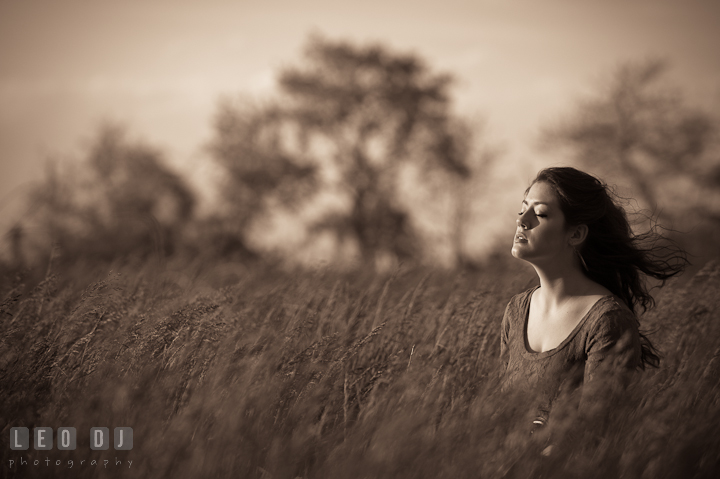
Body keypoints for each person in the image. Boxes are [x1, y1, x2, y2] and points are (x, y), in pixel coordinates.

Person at [499, 166, 687, 437]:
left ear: (575, 234)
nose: (522, 220)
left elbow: (596, 432)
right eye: (522, 209)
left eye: (540, 213)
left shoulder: (607, 319)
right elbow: (499, 411)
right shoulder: (517, 310)